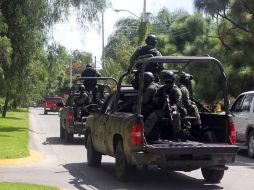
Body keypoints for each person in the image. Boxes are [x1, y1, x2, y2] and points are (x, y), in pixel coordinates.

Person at [151, 71, 183, 140]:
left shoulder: (176, 90)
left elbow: (179, 102)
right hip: (162, 110)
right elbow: (154, 99)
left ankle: (177, 135)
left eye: (170, 82)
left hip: (173, 110)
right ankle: (146, 133)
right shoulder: (161, 89)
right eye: (167, 82)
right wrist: (161, 100)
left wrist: (173, 107)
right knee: (153, 115)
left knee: (175, 115)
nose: (168, 84)